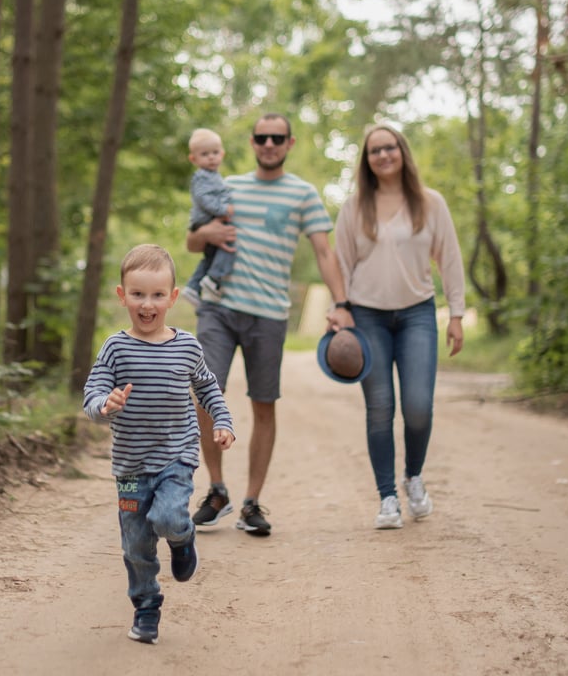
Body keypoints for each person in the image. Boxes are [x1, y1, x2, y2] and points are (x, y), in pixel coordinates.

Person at [186, 113, 352, 537]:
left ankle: (251, 503)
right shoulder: (227, 186)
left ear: (289, 142)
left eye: (277, 137)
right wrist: (208, 234)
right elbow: (191, 239)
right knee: (205, 394)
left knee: (264, 403)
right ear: (252, 141)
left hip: (269, 313)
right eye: (262, 137)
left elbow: (325, 253)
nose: (269, 143)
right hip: (218, 309)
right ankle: (217, 490)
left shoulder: (304, 194)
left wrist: (341, 303)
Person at [82, 244, 236, 644]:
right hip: (131, 467)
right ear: (122, 296)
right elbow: (93, 394)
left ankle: (183, 538)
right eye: (137, 294)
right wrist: (105, 403)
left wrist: (222, 420)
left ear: (172, 297)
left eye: (155, 295)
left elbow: (207, 386)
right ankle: (147, 607)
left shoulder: (186, 346)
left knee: (167, 518)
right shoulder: (115, 348)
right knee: (136, 544)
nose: (146, 304)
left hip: (175, 458)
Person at [332, 123, 466, 530]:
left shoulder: (430, 203)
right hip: (368, 315)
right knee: (380, 409)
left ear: (402, 152)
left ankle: (414, 478)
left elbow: (450, 259)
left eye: (390, 147)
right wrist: (341, 308)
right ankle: (387, 497)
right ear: (367, 160)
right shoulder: (355, 206)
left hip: (417, 315)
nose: (384, 155)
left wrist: (456, 314)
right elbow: (340, 262)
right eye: (375, 150)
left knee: (418, 408)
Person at [183, 128, 234, 306]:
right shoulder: (201, 176)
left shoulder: (215, 176)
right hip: (204, 219)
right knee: (230, 243)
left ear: (222, 153)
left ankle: (193, 286)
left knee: (211, 256)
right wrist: (223, 209)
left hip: (209, 218)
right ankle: (214, 279)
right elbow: (203, 198)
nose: (211, 157)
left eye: (215, 152)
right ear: (193, 159)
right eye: (205, 154)